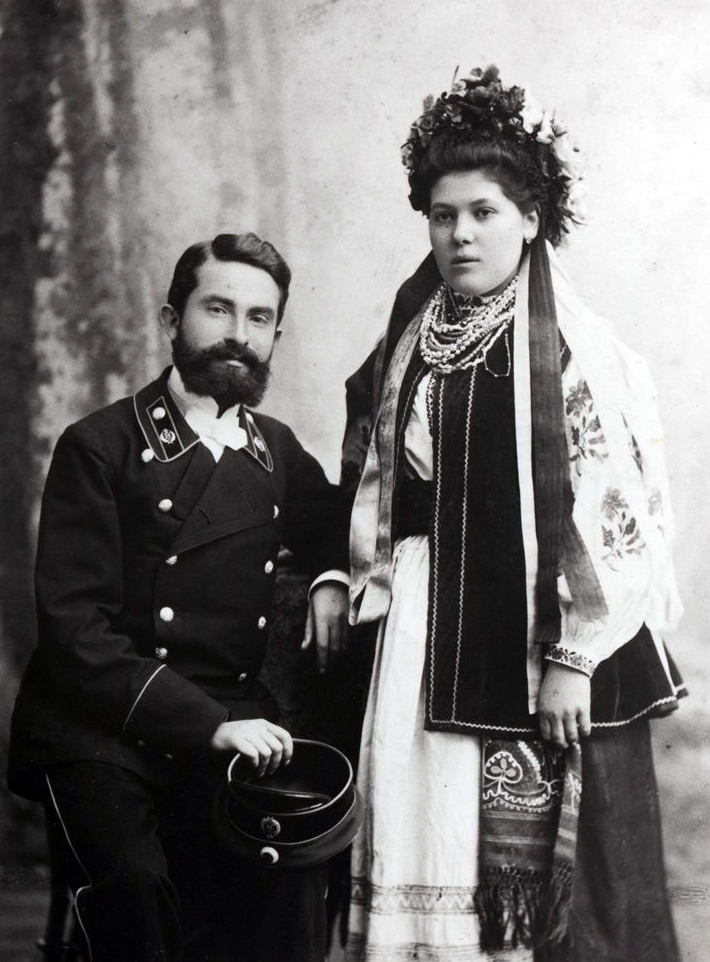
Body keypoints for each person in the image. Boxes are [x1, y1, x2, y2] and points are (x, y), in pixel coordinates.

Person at [340, 67, 685, 962]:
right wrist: (351, 574)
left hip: (539, 638)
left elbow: (615, 510)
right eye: (443, 214)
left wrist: (574, 656)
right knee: (427, 834)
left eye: (483, 212)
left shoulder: (571, 347)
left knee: (562, 902)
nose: (460, 233)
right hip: (427, 628)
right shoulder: (415, 332)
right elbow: (375, 474)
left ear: (530, 218)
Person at [8, 232, 350, 962]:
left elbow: (340, 530)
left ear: (276, 336)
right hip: (102, 731)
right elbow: (75, 631)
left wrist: (331, 578)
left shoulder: (276, 451)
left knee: (294, 869)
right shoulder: (98, 445)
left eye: (259, 318)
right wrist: (208, 725)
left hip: (234, 718)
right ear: (172, 320)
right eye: (217, 309)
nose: (238, 335)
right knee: (135, 887)